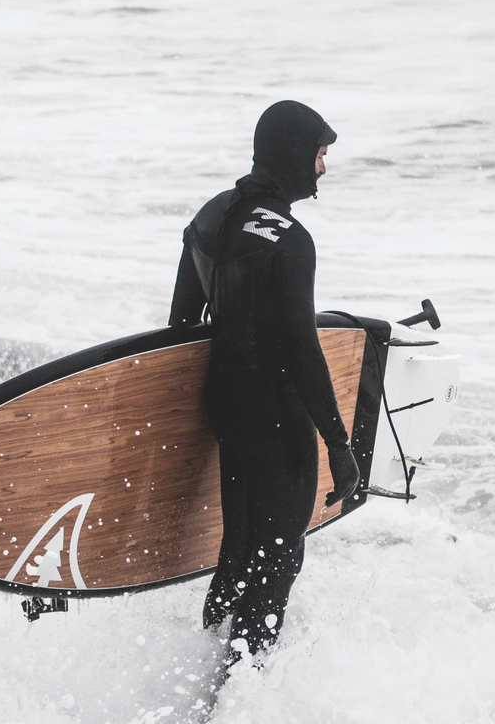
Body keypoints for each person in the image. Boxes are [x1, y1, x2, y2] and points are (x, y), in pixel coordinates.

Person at [168, 100, 361, 660]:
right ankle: (241, 694)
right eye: (320, 155)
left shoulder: (209, 215)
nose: (323, 168)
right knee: (279, 559)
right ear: (295, 155)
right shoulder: (292, 242)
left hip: (227, 413)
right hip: (279, 419)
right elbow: (302, 350)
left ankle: (200, 667)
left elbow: (181, 326)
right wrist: (339, 444)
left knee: (237, 551)